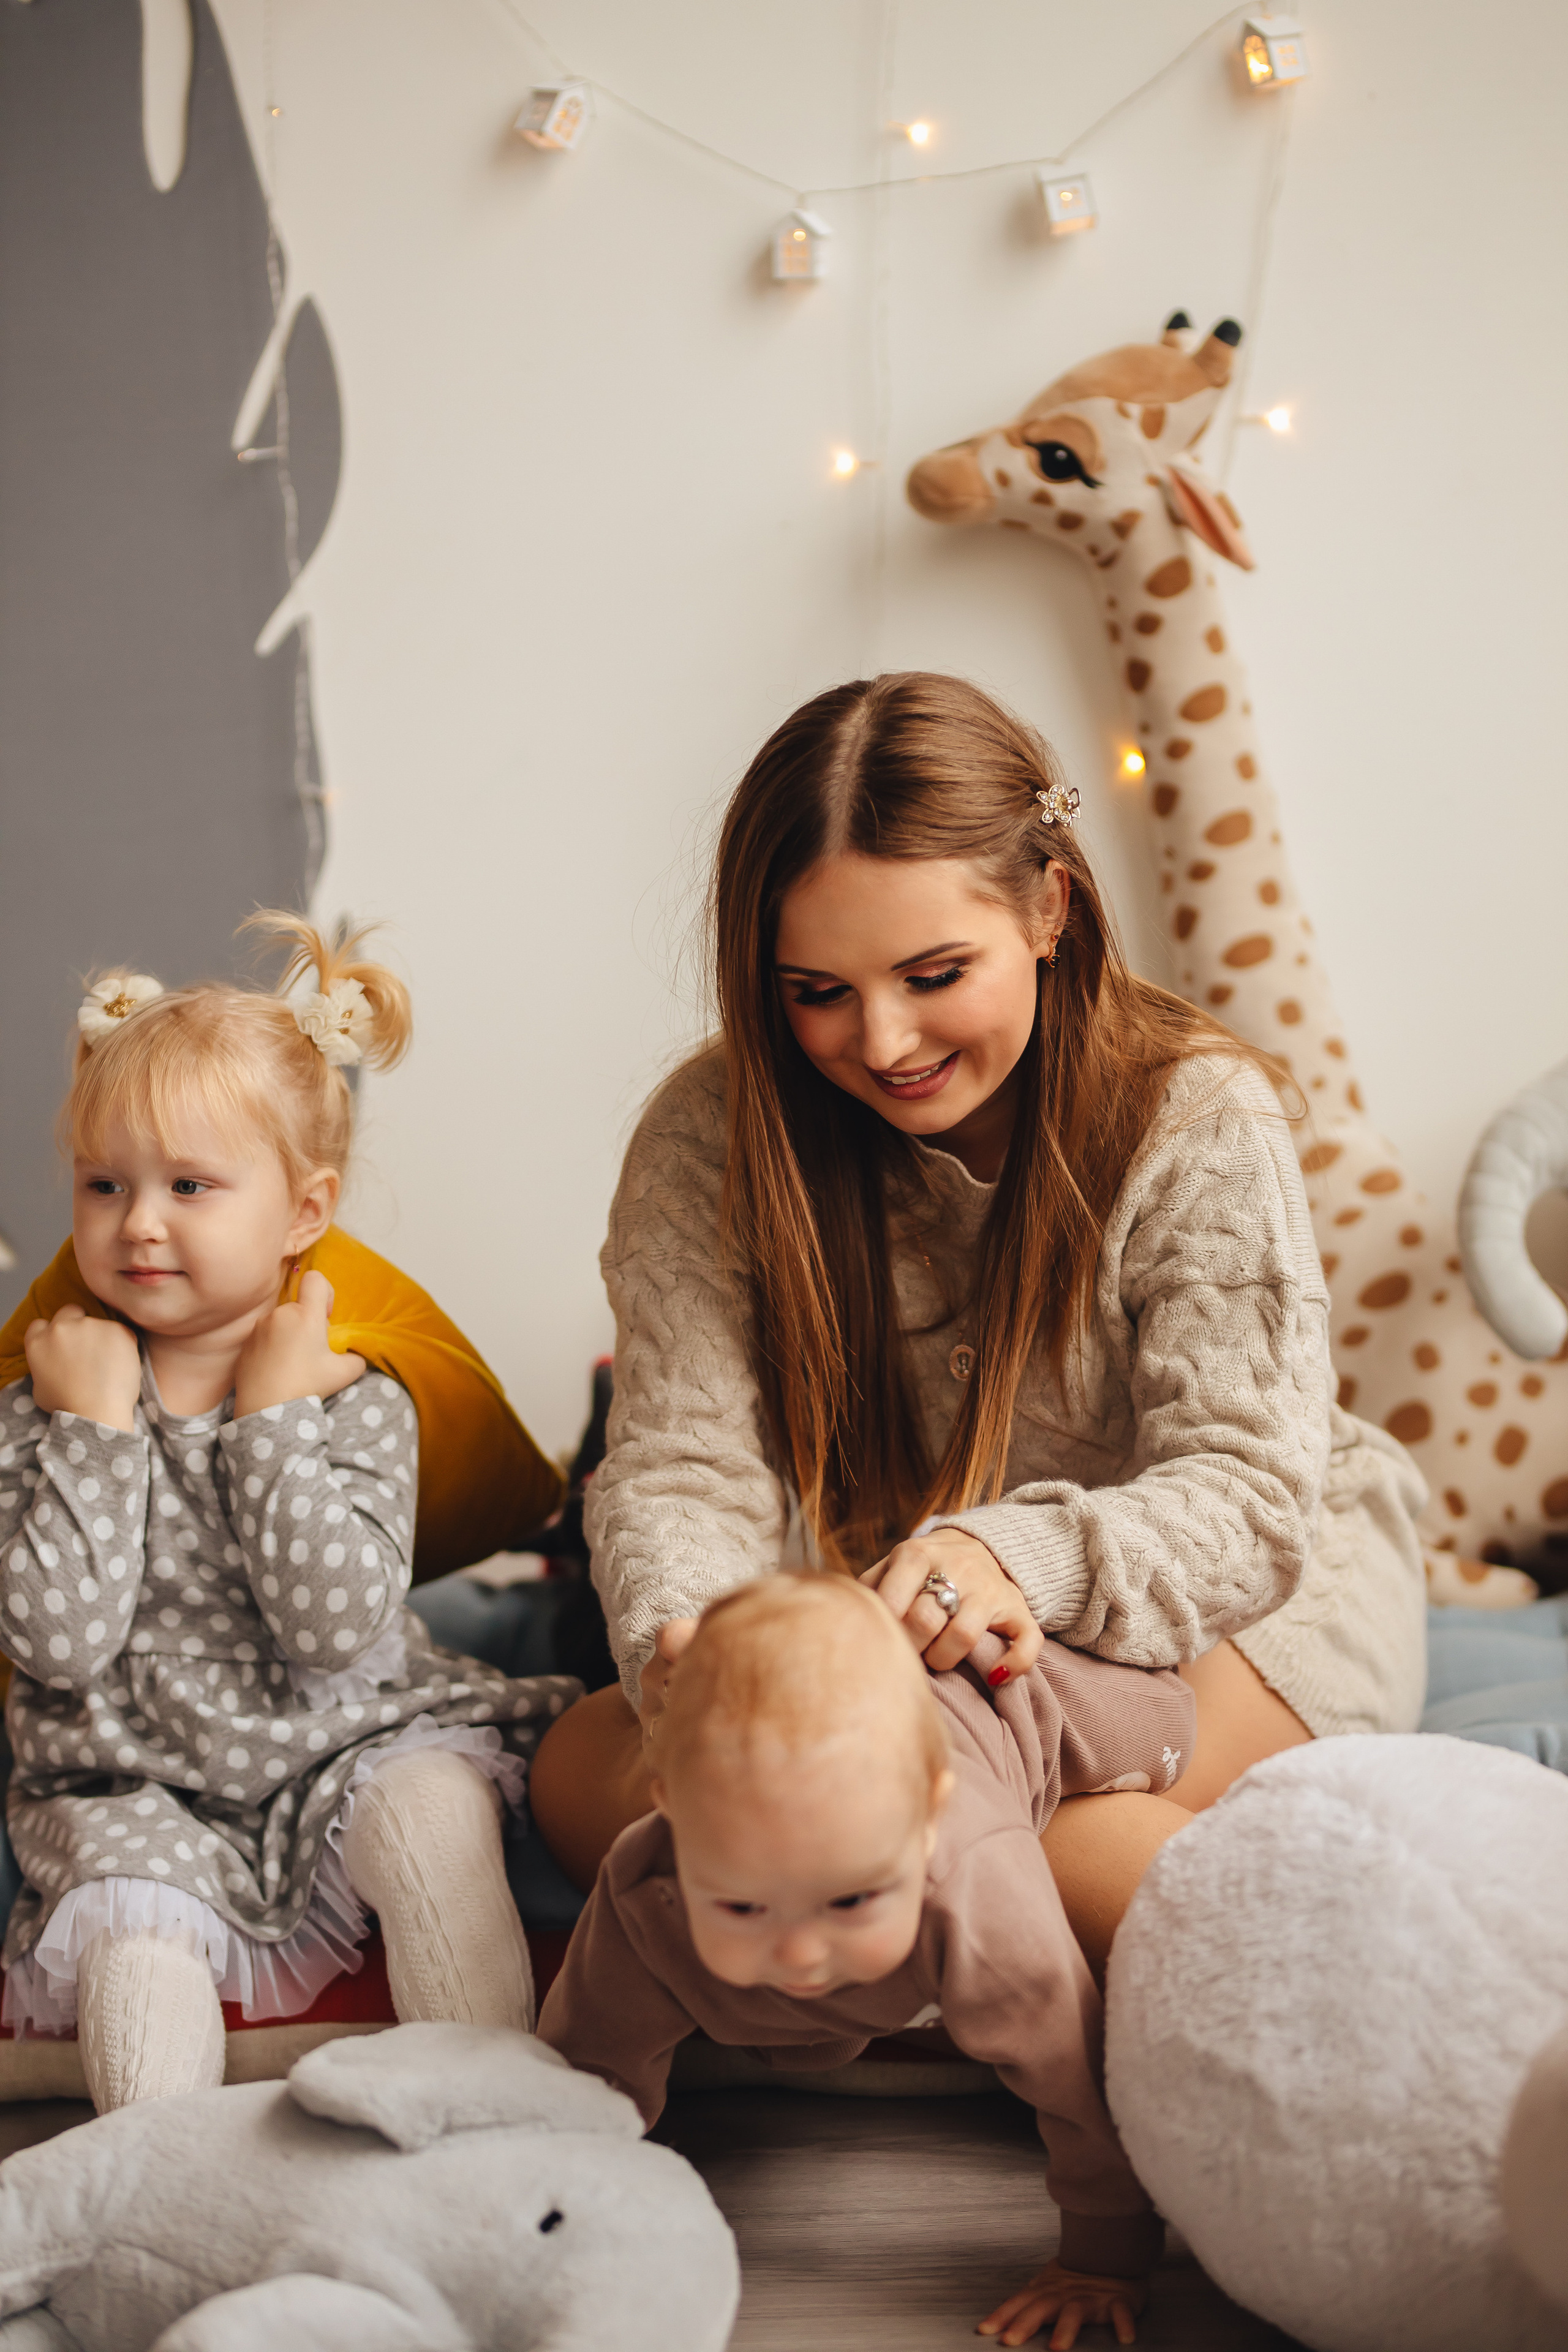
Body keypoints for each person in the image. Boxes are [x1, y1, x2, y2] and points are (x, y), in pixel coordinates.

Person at [530, 672, 1428, 1956]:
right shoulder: (707, 1136)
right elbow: (680, 1464)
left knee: (1028, 1836)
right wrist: (693, 1650)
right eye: (815, 991)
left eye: (932, 972)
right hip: (920, 1618)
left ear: (1047, 908)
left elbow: (1243, 1493)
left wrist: (1016, 1559)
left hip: (1234, 1596)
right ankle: (933, 1946)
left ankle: (1310, 1972)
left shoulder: (1196, 1115)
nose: (881, 1040)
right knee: (590, 1776)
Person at [0, 917, 577, 2111]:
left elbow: (331, 1631)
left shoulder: (351, 1393)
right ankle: (153, 2183)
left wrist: (269, 1420)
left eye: (189, 1187)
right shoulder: (49, 1395)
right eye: (103, 1185)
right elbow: (55, 1644)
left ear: (304, 1212)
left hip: (343, 1736)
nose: (138, 1222)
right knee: (128, 1936)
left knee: (431, 1816)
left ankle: (499, 2118)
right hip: (138, 1781)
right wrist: (95, 1432)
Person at [540, 1575, 1195, 2351]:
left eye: (850, 1901)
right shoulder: (646, 1879)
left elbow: (1074, 2083)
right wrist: (557, 2225)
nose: (799, 1954)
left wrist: (1102, 2263)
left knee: (1164, 1729)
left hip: (1004, 1692)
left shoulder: (979, 1881)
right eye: (743, 1906)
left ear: (926, 1825)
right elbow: (584, 2078)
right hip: (810, 1697)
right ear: (670, 1814)